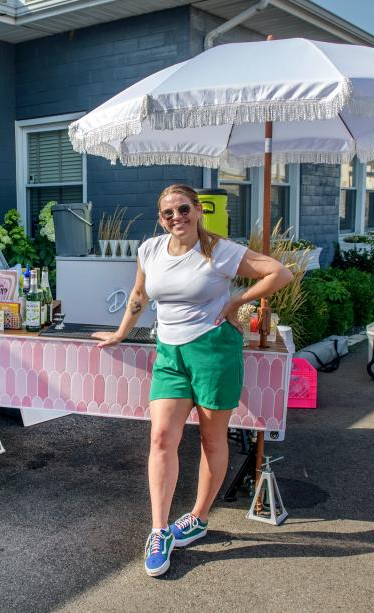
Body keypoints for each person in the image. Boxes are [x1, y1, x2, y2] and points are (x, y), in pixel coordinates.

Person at [92, 184, 293, 577]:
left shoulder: (220, 250)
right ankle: (159, 529)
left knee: (211, 439)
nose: (176, 218)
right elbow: (138, 295)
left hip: (214, 351)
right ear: (160, 218)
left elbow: (279, 272)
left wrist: (236, 301)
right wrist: (119, 332)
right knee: (162, 437)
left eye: (183, 209)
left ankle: (199, 517)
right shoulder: (149, 249)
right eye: (167, 213)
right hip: (169, 353)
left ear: (199, 210)